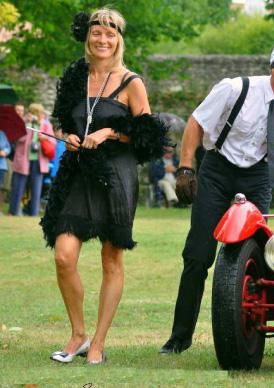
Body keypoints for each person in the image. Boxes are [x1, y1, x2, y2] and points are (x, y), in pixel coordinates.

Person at [160, 41, 274, 354]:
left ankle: (252, 332)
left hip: (259, 175)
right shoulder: (234, 89)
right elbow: (196, 123)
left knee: (260, 255)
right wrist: (187, 167)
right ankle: (179, 338)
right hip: (217, 169)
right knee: (198, 255)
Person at [41, 8, 168, 364]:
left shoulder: (131, 82)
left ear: (119, 40)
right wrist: (69, 135)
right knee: (64, 255)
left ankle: (97, 342)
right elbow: (66, 119)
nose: (102, 40)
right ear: (88, 37)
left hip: (116, 177)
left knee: (111, 259)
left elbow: (149, 138)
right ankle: (78, 334)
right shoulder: (75, 77)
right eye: (97, 33)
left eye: (110, 35)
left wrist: (110, 132)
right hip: (79, 175)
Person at [8, 104, 55, 216]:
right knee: (18, 186)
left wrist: (45, 137)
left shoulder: (46, 125)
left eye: (39, 113)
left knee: (36, 189)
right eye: (35, 112)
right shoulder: (23, 122)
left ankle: (33, 213)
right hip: (23, 159)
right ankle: (13, 211)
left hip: (38, 161)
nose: (38, 115)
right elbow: (17, 138)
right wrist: (26, 125)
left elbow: (53, 141)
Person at [0, 129, 10, 214]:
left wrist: (5, 151)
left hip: (2, 166)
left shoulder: (2, 133)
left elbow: (8, 147)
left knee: (1, 188)